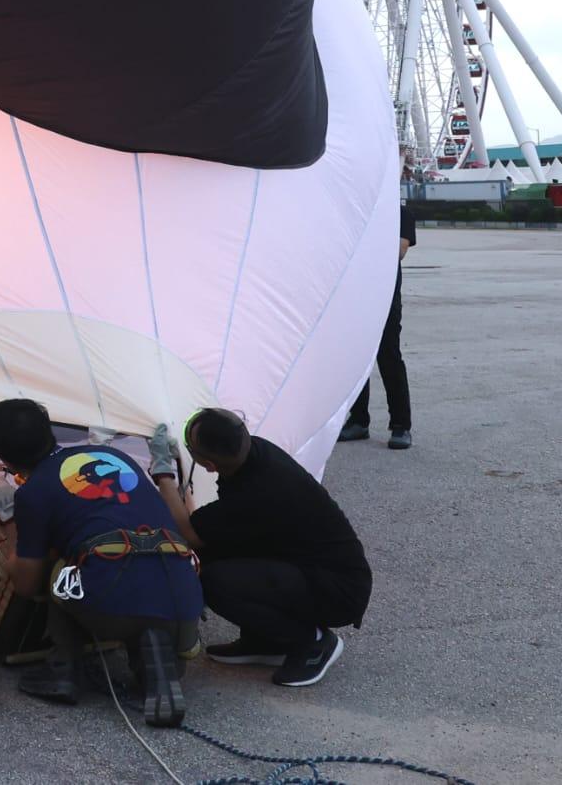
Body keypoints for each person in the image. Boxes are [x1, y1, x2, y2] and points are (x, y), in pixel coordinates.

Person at [0, 398, 201, 728]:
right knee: (128, 570)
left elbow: (25, 582)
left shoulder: (34, 492)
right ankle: (154, 657)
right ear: (48, 429)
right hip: (184, 601)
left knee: (61, 571)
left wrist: (9, 518)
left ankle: (63, 671)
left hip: (114, 608)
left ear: (2, 456)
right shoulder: (115, 457)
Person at [147, 409, 371, 689]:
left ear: (209, 465)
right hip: (308, 563)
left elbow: (189, 534)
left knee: (213, 580)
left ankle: (311, 641)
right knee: (210, 556)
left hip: (337, 588)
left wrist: (163, 474)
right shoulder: (255, 452)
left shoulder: (258, 493)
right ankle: (266, 640)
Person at [342, 198, 415, 449]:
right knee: (356, 361)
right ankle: (358, 421)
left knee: (389, 358)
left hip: (385, 299)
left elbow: (400, 250)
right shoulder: (358, 210)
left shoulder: (400, 213)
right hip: (356, 296)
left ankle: (401, 425)